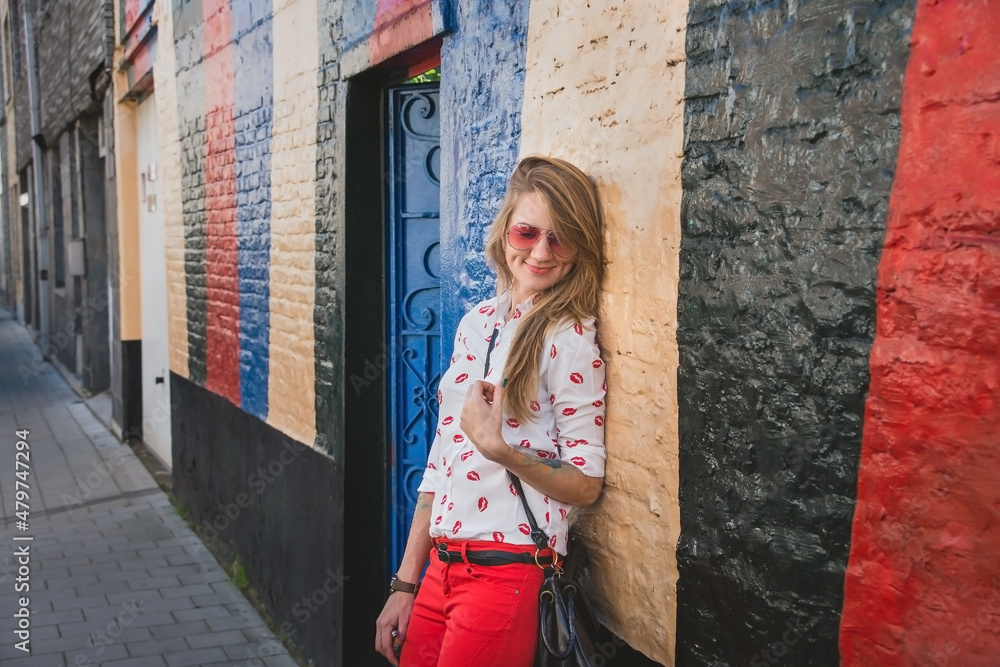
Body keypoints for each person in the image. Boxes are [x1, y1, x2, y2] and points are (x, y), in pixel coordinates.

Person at [375, 155, 608, 667]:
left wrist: (501, 450)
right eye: (528, 232)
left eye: (561, 238)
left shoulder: (568, 339)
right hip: (440, 567)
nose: (542, 252)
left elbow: (587, 482)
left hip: (507, 573)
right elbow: (440, 463)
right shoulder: (477, 322)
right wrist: (405, 583)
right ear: (506, 231)